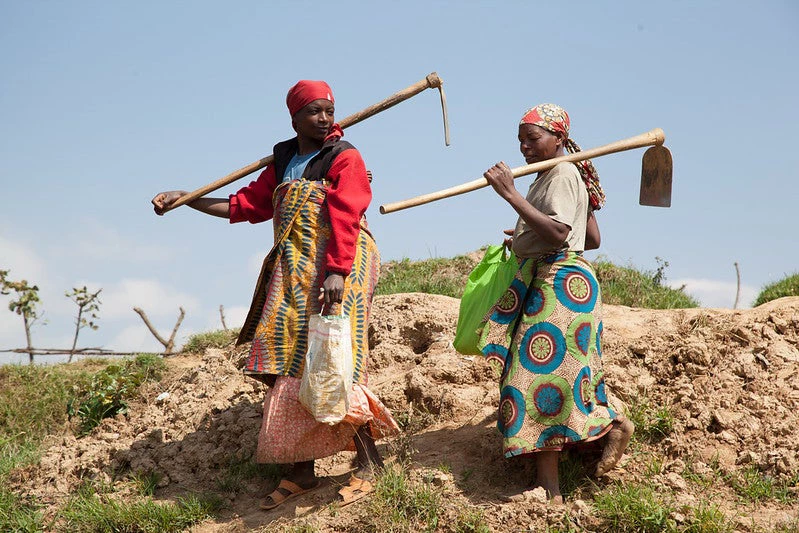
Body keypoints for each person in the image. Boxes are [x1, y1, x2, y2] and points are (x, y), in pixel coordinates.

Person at [151, 80, 398, 509]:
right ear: (294, 118)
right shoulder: (285, 160)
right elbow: (244, 205)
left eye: (329, 111)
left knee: (333, 356)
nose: (324, 119)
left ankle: (370, 463)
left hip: (342, 265)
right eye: (314, 112)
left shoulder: (344, 156)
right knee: (286, 357)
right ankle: (301, 470)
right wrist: (187, 199)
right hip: (296, 269)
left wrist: (336, 272)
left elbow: (346, 215)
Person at [479, 103, 633, 503]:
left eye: (533, 139)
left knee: (534, 377)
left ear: (559, 139)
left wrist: (511, 195)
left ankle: (549, 489)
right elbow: (591, 238)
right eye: (521, 141)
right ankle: (607, 428)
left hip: (559, 282)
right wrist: (523, 238)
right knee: (556, 375)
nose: (525, 148)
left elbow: (559, 232)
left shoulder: (563, 172)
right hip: (566, 279)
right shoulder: (558, 174)